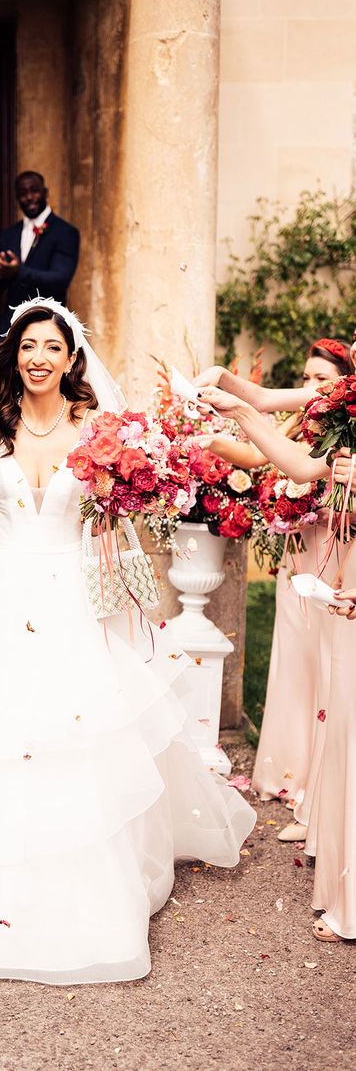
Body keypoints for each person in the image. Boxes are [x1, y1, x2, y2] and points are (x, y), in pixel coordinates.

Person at [0, 296, 255, 985]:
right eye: (28, 346)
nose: (38, 358)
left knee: (75, 737)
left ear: (71, 357)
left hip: (73, 598)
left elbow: (113, 525)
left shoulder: (99, 429)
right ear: (13, 352)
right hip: (2, 590)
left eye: (52, 346)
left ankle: (88, 888)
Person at [198, 359, 356, 944]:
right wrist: (237, 408)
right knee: (342, 726)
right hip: (340, 571)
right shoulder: (346, 403)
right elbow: (304, 464)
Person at [0, 171, 80, 340]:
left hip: (48, 325)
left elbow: (60, 279)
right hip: (10, 328)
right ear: (17, 197)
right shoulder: (8, 234)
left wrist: (18, 272)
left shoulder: (65, 232)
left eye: (34, 190)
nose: (29, 197)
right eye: (22, 193)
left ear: (45, 192)